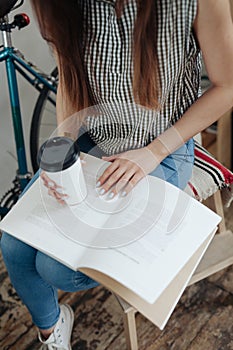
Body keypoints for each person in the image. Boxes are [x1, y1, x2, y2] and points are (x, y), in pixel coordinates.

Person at [1, 0, 233, 349]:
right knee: (13, 246)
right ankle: (51, 330)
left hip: (163, 144)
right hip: (91, 138)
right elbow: (68, 72)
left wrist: (152, 153)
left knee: (57, 269)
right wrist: (61, 148)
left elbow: (227, 86)